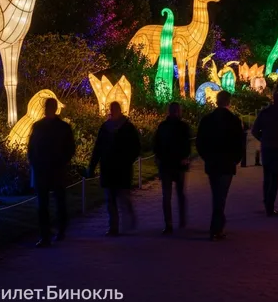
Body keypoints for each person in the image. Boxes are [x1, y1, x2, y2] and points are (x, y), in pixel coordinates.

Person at [27, 98, 75, 247]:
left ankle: (59, 230)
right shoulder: (39, 126)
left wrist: (62, 161)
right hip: (42, 170)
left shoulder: (62, 127)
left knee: (58, 201)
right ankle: (45, 235)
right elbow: (31, 147)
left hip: (56, 169)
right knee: (43, 205)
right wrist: (34, 161)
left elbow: (70, 148)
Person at [196, 91, 244, 240]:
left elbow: (200, 142)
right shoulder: (234, 120)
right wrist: (235, 159)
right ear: (228, 102)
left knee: (217, 194)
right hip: (227, 163)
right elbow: (240, 143)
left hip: (213, 162)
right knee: (221, 195)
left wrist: (206, 157)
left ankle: (218, 225)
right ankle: (216, 227)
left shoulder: (207, 120)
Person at [88, 101, 141, 236]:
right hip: (108, 168)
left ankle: (127, 219)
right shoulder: (105, 128)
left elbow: (136, 147)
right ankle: (114, 226)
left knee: (123, 197)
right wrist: (92, 166)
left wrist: (127, 160)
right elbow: (98, 148)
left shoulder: (128, 128)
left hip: (122, 169)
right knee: (110, 199)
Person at [251, 91, 278, 216]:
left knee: (267, 176)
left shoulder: (264, 113)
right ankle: (270, 205)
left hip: (267, 147)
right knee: (275, 177)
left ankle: (267, 201)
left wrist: (263, 138)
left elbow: (254, 130)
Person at [153, 102, 192, 234]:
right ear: (178, 112)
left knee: (167, 196)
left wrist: (158, 158)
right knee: (180, 194)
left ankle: (168, 224)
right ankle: (181, 219)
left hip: (166, 164)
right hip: (178, 164)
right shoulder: (183, 126)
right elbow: (187, 144)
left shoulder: (163, 126)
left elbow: (156, 144)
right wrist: (185, 157)